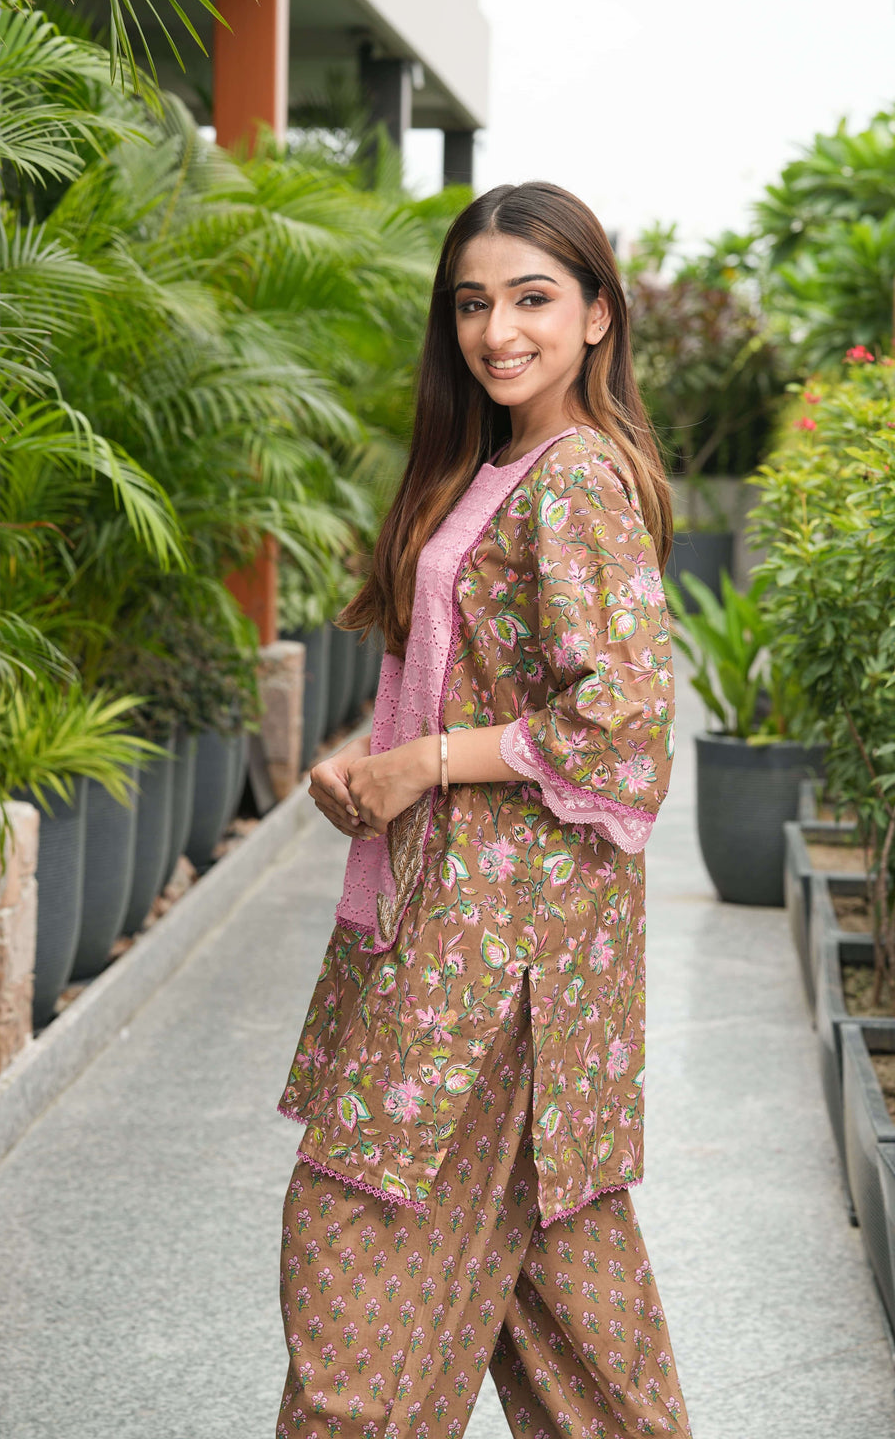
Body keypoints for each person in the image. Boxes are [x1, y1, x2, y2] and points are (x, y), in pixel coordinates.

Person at [275, 181, 690, 1438]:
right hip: (456, 916)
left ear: (598, 316)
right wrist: (377, 758)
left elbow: (620, 719)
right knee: (568, 1297)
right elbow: (472, 676)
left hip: (500, 949)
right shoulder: (489, 464)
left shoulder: (574, 482)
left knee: (352, 1235)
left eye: (532, 299)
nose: (497, 331)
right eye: (472, 303)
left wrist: (431, 762)